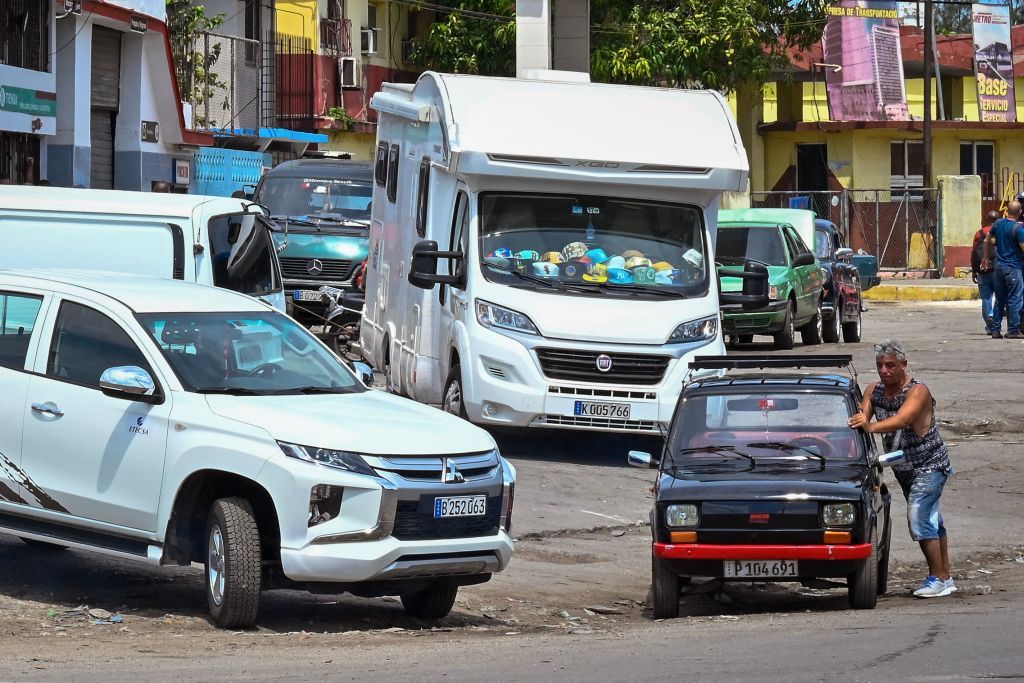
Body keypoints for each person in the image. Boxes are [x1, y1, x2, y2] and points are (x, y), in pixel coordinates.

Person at [848, 339, 955, 599]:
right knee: (931, 519)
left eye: (890, 366)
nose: (884, 371)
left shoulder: (918, 391)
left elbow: (902, 419)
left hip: (930, 464)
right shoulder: (875, 390)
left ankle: (936, 578)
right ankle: (945, 576)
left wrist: (870, 427)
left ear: (904, 365)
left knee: (919, 516)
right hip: (905, 469)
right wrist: (860, 417)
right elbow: (861, 414)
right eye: (880, 366)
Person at [983, 200, 1024, 338]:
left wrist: (986, 257)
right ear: (1020, 212)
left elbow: (986, 240)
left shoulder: (998, 224)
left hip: (998, 268)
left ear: (1006, 210)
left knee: (999, 300)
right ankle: (1013, 330)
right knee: (1015, 299)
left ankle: (995, 330)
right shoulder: (1018, 229)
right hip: (1013, 268)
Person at [971, 211, 1000, 335]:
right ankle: (995, 325)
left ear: (987, 219)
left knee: (986, 298)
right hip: (998, 269)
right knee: (999, 298)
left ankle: (989, 325)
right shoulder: (1000, 231)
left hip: (983, 270)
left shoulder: (980, 233)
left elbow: (973, 252)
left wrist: (974, 270)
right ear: (998, 219)